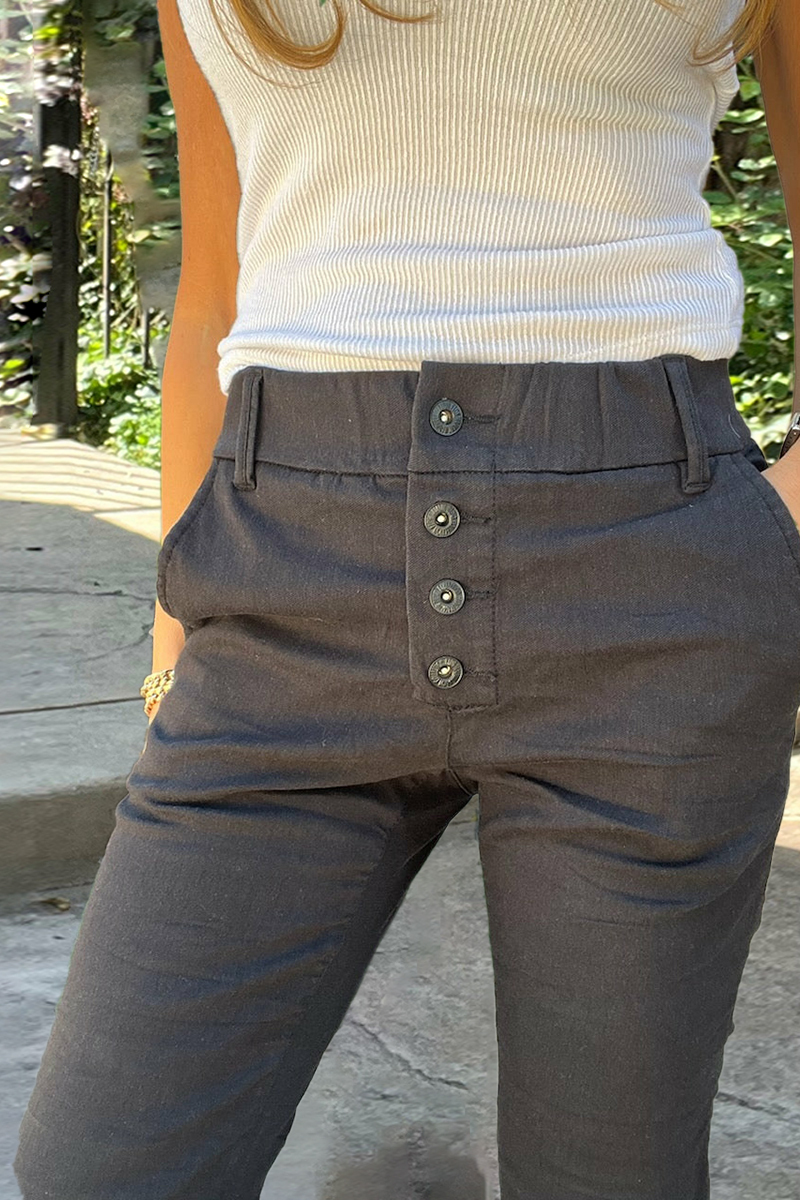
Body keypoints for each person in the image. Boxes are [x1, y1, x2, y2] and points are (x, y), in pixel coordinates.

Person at [13, 0, 800, 1196]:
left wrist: (764, 541)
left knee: (606, 1175)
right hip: (280, 592)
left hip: (648, 589)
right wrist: (175, 649)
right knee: (102, 1166)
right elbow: (222, 285)